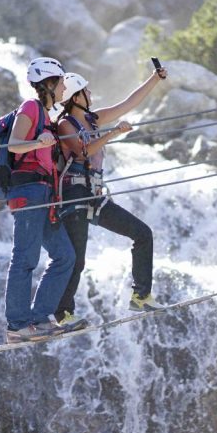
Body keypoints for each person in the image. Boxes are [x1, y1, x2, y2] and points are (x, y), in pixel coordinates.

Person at [53, 67, 168, 326]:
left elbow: (129, 102)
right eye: (86, 90)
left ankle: (141, 295)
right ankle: (62, 314)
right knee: (76, 259)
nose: (90, 93)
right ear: (75, 96)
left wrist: (154, 78)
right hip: (74, 195)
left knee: (142, 233)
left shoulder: (93, 119)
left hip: (93, 193)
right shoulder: (64, 124)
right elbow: (82, 152)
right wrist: (113, 132)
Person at [3, 57, 85, 343]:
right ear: (49, 83)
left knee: (65, 256)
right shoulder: (30, 107)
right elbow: (12, 144)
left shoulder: (48, 117)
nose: (65, 87)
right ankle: (17, 325)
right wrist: (39, 142)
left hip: (45, 194)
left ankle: (40, 318)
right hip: (28, 191)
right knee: (25, 258)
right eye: (62, 82)